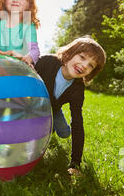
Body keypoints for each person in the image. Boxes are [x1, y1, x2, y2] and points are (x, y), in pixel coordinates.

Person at [35, 36, 106, 175]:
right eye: (82, 57)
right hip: (33, 106)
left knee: (65, 133)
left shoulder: (77, 89)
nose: (85, 65)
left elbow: (78, 123)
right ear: (69, 54)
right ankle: (48, 129)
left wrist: (75, 163)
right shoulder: (47, 62)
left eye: (91, 65)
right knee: (40, 132)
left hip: (54, 110)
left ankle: (55, 128)